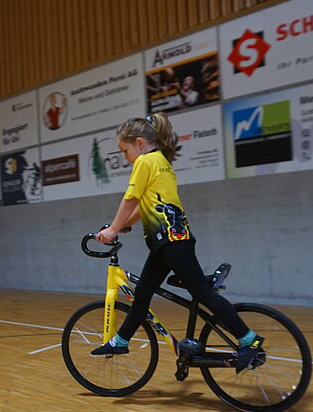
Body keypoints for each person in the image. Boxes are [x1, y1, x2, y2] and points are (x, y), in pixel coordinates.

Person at [92, 113, 264, 373]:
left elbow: (130, 199)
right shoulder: (161, 161)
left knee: (202, 294)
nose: (125, 157)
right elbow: (148, 203)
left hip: (171, 243)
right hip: (167, 244)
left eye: (124, 150)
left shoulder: (145, 161)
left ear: (139, 143)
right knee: (142, 295)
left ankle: (249, 340)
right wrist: (125, 225)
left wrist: (114, 229)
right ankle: (121, 340)